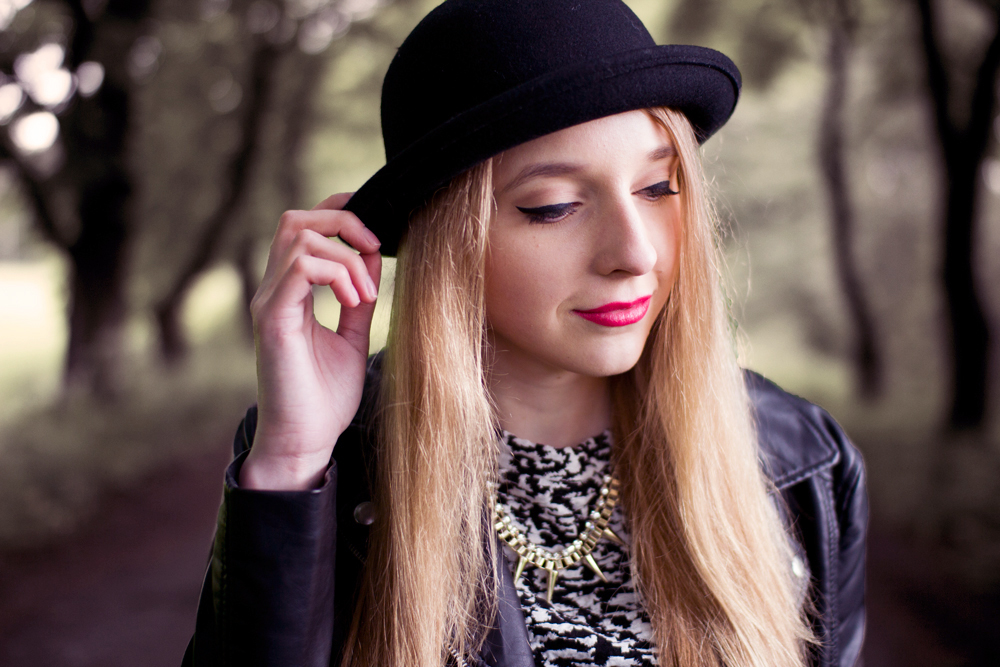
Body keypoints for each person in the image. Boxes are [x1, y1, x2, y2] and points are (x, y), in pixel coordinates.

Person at [183, 1, 867, 666]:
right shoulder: (324, 467)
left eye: (658, 188)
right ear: (449, 241)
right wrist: (290, 465)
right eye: (554, 206)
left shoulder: (805, 461)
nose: (635, 253)